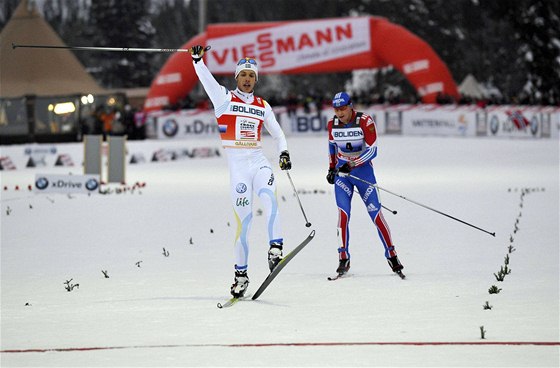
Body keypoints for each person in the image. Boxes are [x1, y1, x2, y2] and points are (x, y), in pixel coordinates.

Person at [189, 45, 292, 298]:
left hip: (258, 163)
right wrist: (197, 61)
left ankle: (275, 249)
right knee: (243, 225)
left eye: (252, 76)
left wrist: (284, 152)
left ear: (256, 79)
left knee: (270, 199)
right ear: (236, 77)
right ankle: (241, 276)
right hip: (238, 169)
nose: (247, 79)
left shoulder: (262, 105)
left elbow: (278, 134)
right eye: (243, 75)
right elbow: (207, 80)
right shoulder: (223, 98)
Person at [326, 92, 404, 278]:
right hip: (342, 175)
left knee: (376, 215)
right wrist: (331, 168)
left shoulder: (365, 121)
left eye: (343, 108)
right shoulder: (332, 124)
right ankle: (343, 257)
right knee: (343, 215)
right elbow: (331, 147)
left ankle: (392, 255)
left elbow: (373, 151)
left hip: (363, 173)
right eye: (337, 109)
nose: (340, 113)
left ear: (350, 106)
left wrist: (352, 164)